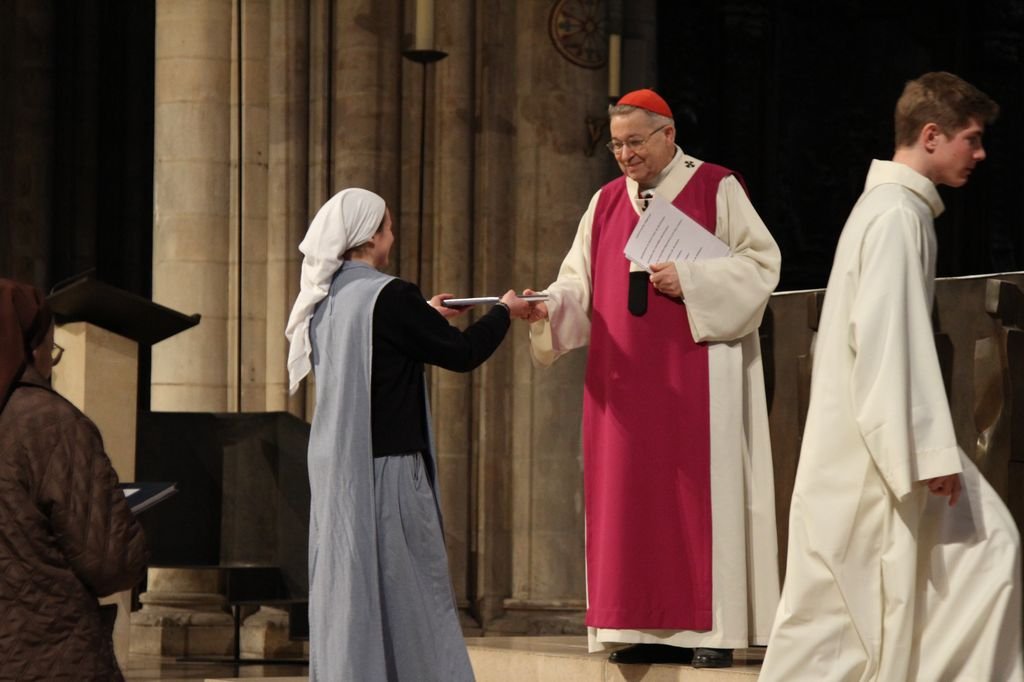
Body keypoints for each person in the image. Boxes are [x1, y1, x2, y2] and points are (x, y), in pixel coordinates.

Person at [759, 72, 1023, 681]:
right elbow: (887, 338)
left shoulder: (893, 209)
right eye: (972, 139)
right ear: (932, 135)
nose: (980, 155)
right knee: (844, 623)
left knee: (880, 605)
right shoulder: (897, 216)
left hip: (870, 442)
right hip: (874, 452)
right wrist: (928, 452)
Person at [524, 88, 781, 668]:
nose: (625, 155)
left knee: (696, 501)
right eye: (616, 144)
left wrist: (691, 279)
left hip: (697, 377)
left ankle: (710, 633)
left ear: (668, 134)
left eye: (635, 142)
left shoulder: (717, 186)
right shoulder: (606, 203)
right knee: (628, 504)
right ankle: (635, 625)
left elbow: (762, 266)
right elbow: (576, 285)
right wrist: (545, 306)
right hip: (624, 385)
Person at [284, 188, 529, 682]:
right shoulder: (390, 294)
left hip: (339, 469)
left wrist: (426, 317)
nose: (392, 237)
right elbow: (462, 355)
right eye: (389, 228)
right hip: (389, 468)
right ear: (371, 235)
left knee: (353, 585)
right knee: (411, 585)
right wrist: (505, 311)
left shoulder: (325, 297)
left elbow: (382, 348)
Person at [0, 278, 147, 681]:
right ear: (29, 348)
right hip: (48, 655)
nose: (52, 359)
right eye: (51, 346)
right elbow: (110, 562)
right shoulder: (48, 424)